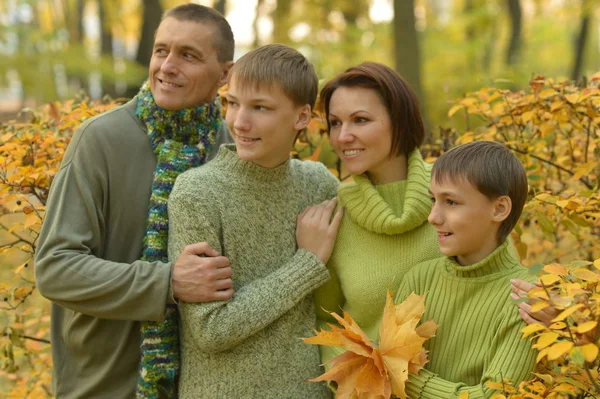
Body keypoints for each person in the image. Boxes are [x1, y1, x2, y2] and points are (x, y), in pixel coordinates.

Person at [34, 4, 234, 398]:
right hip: (102, 388)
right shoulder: (100, 140)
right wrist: (167, 282)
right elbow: (55, 267)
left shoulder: (233, 150)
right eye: (161, 51)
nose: (167, 66)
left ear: (225, 73)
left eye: (188, 55)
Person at [167, 43, 341, 398]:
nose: (239, 122)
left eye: (260, 108)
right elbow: (211, 329)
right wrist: (305, 264)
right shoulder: (197, 193)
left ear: (302, 117)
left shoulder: (319, 183)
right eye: (232, 103)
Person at [313, 62, 441, 365]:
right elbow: (325, 321)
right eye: (334, 123)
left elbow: (505, 290)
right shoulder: (336, 216)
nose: (343, 136)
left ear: (399, 121)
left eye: (360, 120)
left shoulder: (455, 190)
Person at [395, 140, 537, 398]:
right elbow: (385, 370)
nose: (433, 217)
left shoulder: (524, 298)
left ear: (499, 208)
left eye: (450, 202)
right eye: (433, 200)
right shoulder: (419, 279)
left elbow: (495, 396)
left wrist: (409, 380)